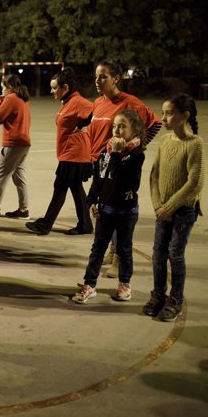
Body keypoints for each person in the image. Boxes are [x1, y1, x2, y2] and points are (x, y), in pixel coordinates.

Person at [85, 59, 162, 277]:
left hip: (119, 164)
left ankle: (119, 259)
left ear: (116, 79)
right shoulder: (98, 102)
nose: (98, 81)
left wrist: (136, 147)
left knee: (117, 210)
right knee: (104, 209)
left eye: (103, 76)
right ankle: (111, 251)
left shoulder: (130, 102)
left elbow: (155, 123)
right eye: (96, 76)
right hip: (101, 163)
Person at [72, 109, 146, 304]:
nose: (117, 130)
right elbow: (98, 180)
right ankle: (90, 284)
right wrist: (91, 200)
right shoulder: (105, 153)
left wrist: (117, 154)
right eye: (114, 126)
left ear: (134, 130)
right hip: (105, 210)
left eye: (122, 126)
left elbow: (126, 182)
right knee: (97, 249)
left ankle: (124, 284)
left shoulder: (136, 155)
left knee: (124, 249)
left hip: (125, 212)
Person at [143, 94, 205, 322]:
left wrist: (170, 206)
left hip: (183, 210)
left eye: (169, 113)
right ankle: (158, 294)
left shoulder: (195, 144)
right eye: (163, 112)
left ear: (185, 116)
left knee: (175, 254)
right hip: (163, 211)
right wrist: (158, 204)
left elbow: (195, 182)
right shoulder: (165, 141)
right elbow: (154, 174)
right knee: (158, 254)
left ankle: (175, 300)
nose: (164, 118)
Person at [25, 68, 93, 236]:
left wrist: (83, 125)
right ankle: (85, 224)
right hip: (70, 153)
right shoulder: (68, 102)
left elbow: (94, 111)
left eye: (55, 87)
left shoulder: (77, 101)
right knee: (76, 189)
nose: (52, 91)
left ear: (66, 87)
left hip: (74, 153)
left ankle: (45, 224)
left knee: (60, 188)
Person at [0, 74, 31, 219]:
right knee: (20, 177)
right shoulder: (23, 99)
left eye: (3, 87)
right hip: (24, 142)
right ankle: (23, 209)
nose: (1, 90)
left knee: (1, 175)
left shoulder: (10, 98)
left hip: (13, 143)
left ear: (9, 88)